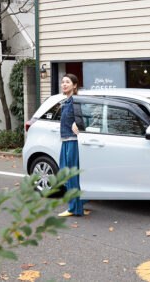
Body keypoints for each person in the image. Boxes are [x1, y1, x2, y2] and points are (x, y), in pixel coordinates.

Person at [57, 73, 86, 217]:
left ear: (74, 86)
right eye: (63, 82)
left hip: (72, 141)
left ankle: (74, 208)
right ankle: (80, 200)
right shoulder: (65, 102)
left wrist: (77, 122)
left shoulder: (75, 100)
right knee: (64, 173)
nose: (64, 84)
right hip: (65, 140)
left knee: (71, 175)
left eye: (67, 82)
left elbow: (83, 118)